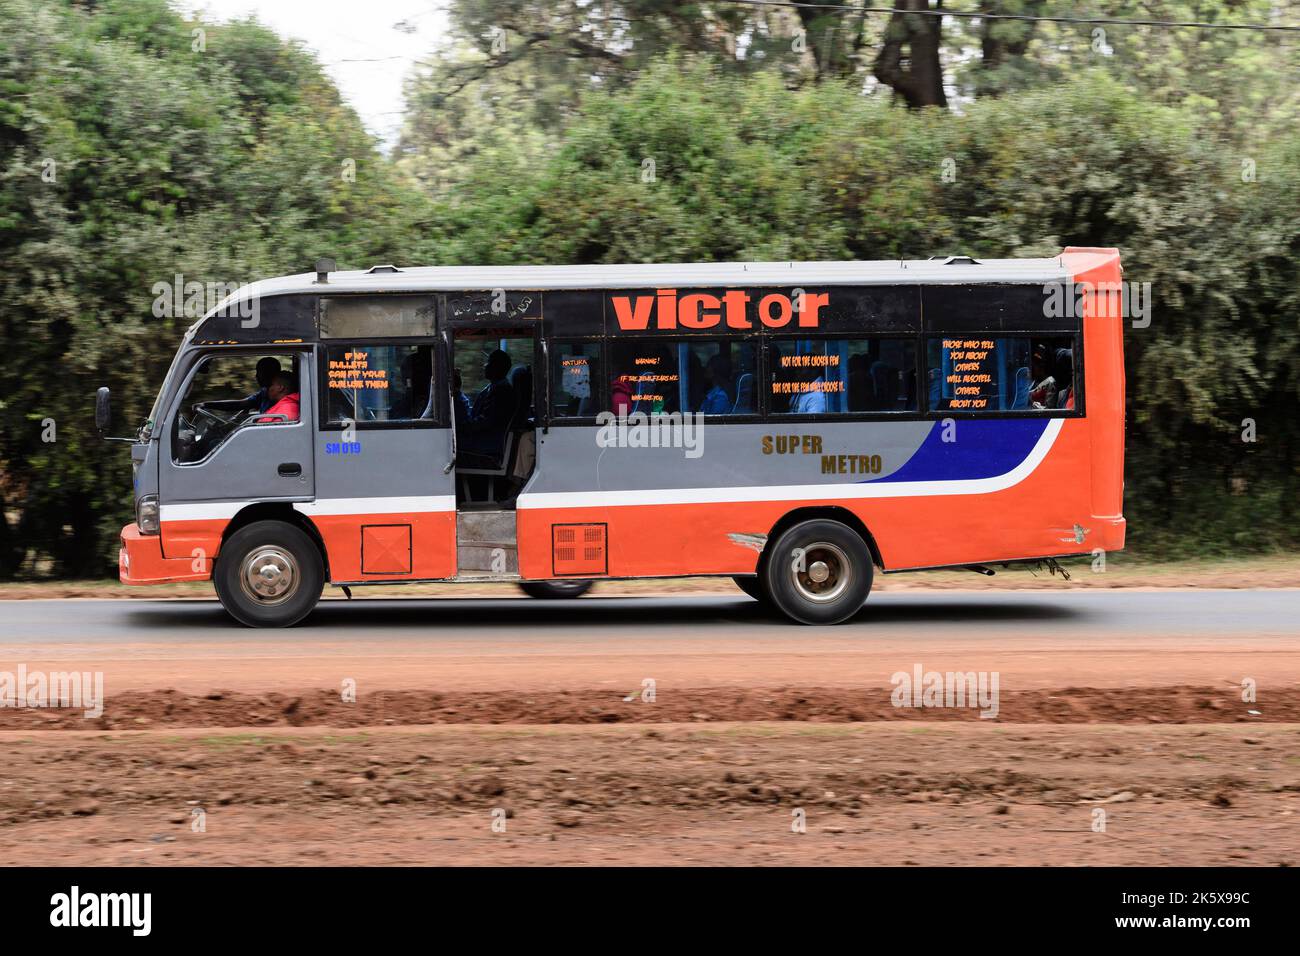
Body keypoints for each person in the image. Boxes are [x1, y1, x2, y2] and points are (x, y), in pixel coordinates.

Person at [457, 349, 516, 460]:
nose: (485, 366)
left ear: (496, 367)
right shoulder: (494, 387)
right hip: (485, 437)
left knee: (449, 445)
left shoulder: (501, 392)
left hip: (488, 441)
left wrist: (462, 427)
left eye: (488, 363)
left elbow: (486, 421)